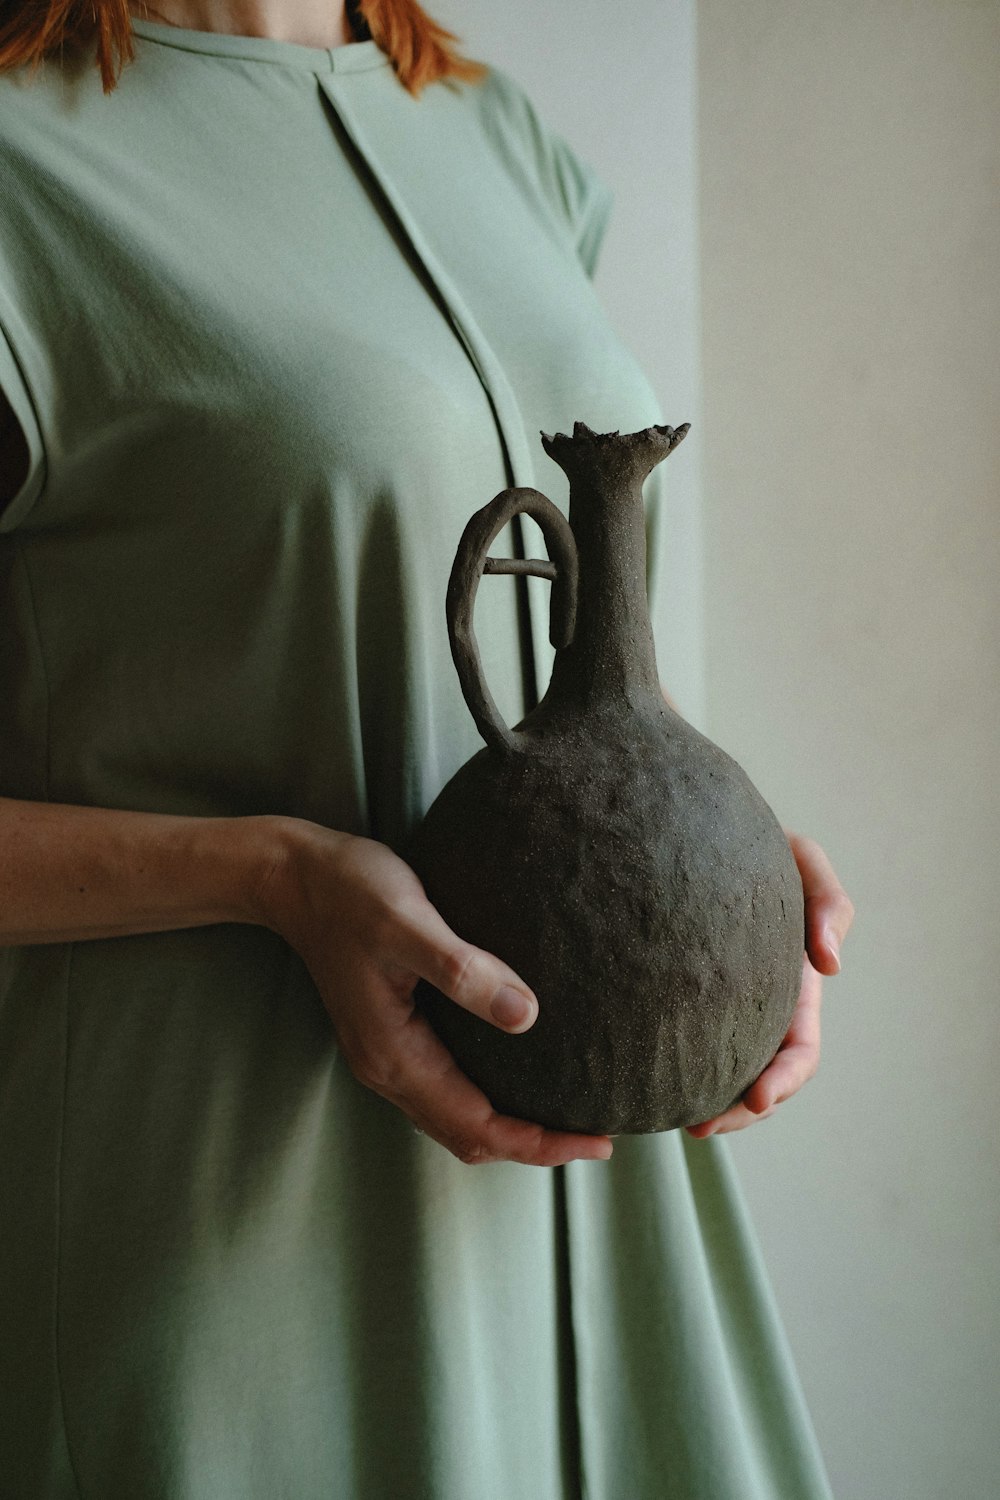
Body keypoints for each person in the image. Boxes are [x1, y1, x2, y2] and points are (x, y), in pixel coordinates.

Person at [0, 1, 855, 1494]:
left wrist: (709, 865)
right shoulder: (25, 170)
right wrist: (272, 872)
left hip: (611, 1219)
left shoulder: (499, 137)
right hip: (227, 1229)